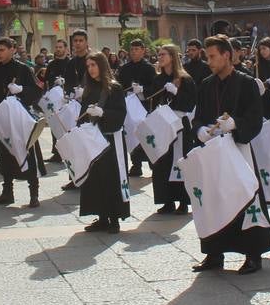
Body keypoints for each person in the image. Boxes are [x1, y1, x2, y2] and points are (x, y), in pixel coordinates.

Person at [190, 35, 270, 274]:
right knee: (215, 199)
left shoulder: (246, 83)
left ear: (227, 55)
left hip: (239, 149)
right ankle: (215, 253)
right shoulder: (206, 84)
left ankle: (252, 254)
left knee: (246, 197)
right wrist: (200, 130)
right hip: (214, 153)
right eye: (208, 57)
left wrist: (235, 124)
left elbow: (256, 118)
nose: (209, 61)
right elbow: (198, 116)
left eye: (213, 56)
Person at [0, 37, 45, 208]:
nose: (0, 54)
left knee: (28, 155)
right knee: (5, 156)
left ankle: (34, 194)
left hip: (21, 120)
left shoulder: (23, 69)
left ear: (12, 50)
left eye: (3, 50)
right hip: (3, 121)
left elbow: (37, 91)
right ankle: (7, 192)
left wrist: (22, 90)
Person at [78, 51, 130, 235]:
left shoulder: (114, 88)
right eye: (88, 66)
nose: (91, 69)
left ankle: (114, 219)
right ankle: (101, 217)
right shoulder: (89, 90)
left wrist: (103, 114)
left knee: (111, 178)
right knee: (96, 178)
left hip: (110, 140)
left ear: (102, 65)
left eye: (94, 65)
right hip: (93, 140)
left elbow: (121, 114)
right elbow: (82, 115)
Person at [148, 44, 197, 215]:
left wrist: (177, 93)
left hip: (179, 124)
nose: (160, 57)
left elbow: (191, 104)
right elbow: (152, 102)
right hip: (163, 124)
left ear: (172, 57)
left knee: (179, 161)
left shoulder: (185, 79)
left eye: (163, 54)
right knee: (163, 162)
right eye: (159, 54)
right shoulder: (157, 79)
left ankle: (183, 201)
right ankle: (167, 200)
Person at [117, 39, 155, 177]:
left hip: (143, 106)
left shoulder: (149, 68)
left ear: (143, 51)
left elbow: (154, 88)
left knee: (145, 134)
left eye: (137, 49)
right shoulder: (124, 68)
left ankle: (152, 163)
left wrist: (143, 90)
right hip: (128, 105)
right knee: (131, 133)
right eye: (132, 49)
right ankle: (136, 164)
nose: (134, 52)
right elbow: (118, 85)